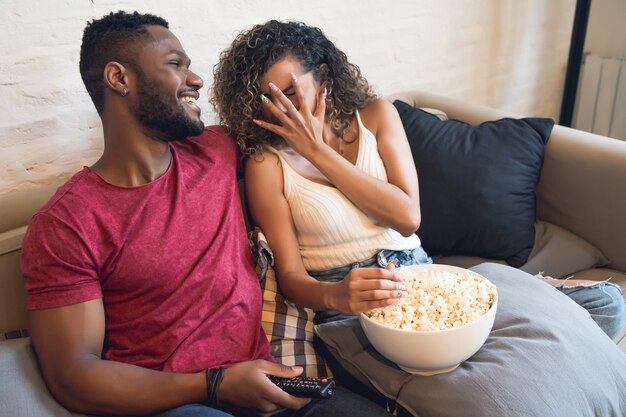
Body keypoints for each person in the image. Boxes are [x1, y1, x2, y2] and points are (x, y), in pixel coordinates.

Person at [20, 11, 395, 417]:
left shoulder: (216, 151)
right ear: (118, 78)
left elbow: (305, 135)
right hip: (180, 403)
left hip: (270, 381)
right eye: (175, 64)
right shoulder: (67, 223)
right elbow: (72, 377)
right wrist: (213, 385)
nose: (196, 79)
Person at [210, 21, 625, 338]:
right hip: (348, 303)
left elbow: (407, 218)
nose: (285, 111)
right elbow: (292, 279)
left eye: (290, 92)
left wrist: (318, 151)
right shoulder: (265, 163)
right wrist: (335, 296)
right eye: (270, 101)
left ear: (323, 76)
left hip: (422, 277)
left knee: (606, 301)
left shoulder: (376, 116)